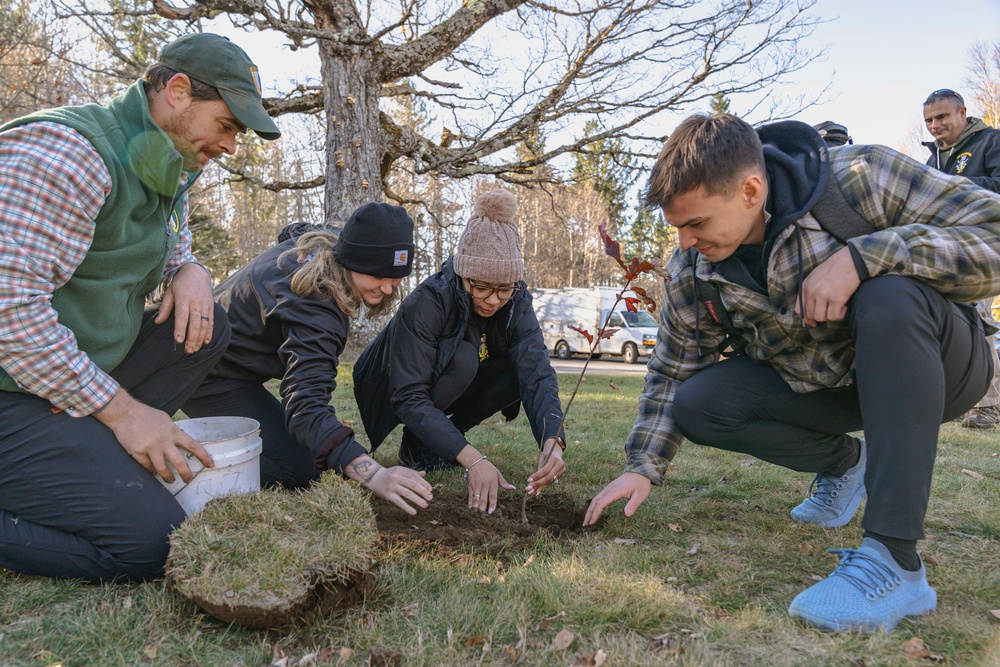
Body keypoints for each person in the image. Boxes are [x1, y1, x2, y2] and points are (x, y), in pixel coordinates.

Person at [584, 113, 1000, 632]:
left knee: (888, 292)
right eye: (678, 228)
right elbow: (671, 371)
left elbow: (993, 231)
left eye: (696, 224)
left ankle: (894, 560)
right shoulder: (693, 268)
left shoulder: (861, 177)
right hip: (832, 386)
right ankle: (848, 463)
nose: (685, 242)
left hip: (939, 364)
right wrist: (641, 465)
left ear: (750, 191)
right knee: (699, 402)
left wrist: (864, 258)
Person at [0, 33, 281, 583]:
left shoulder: (166, 164)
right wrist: (125, 413)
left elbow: (171, 240)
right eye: (227, 125)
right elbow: (9, 313)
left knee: (208, 326)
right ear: (177, 91)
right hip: (11, 389)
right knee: (156, 546)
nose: (231, 146)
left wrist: (190, 270)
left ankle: (87, 452)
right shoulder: (67, 156)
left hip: (63, 382)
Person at [183, 202, 434, 515]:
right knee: (300, 470)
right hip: (204, 369)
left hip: (229, 361)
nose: (386, 288)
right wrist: (376, 475)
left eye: (396, 279)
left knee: (315, 454)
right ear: (352, 259)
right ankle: (184, 464)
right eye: (377, 276)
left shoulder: (321, 245)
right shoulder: (317, 304)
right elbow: (305, 406)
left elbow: (293, 230)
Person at [352, 190, 567, 515]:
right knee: (465, 358)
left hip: (452, 381)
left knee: (516, 370)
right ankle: (418, 443)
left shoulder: (518, 303)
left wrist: (553, 439)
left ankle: (446, 439)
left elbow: (537, 372)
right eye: (481, 287)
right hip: (390, 383)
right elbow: (408, 395)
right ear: (463, 276)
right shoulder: (429, 302)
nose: (494, 300)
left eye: (504, 289)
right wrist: (473, 459)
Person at [922, 88, 1000, 428]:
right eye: (928, 120)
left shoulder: (991, 142)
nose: (935, 125)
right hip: (942, 250)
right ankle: (958, 400)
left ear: (962, 113)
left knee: (977, 321)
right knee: (945, 324)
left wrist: (952, 183)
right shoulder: (934, 159)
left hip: (983, 245)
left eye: (941, 117)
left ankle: (990, 406)